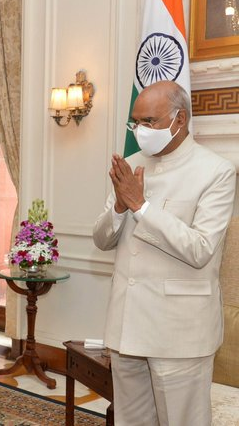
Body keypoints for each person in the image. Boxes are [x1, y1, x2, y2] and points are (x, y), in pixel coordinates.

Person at [93, 80, 236, 426]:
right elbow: (102, 239)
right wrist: (120, 210)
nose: (140, 130)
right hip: (127, 325)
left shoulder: (216, 171)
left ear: (180, 119)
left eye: (149, 121)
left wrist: (141, 205)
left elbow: (200, 249)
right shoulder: (130, 164)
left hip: (179, 332)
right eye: (136, 122)